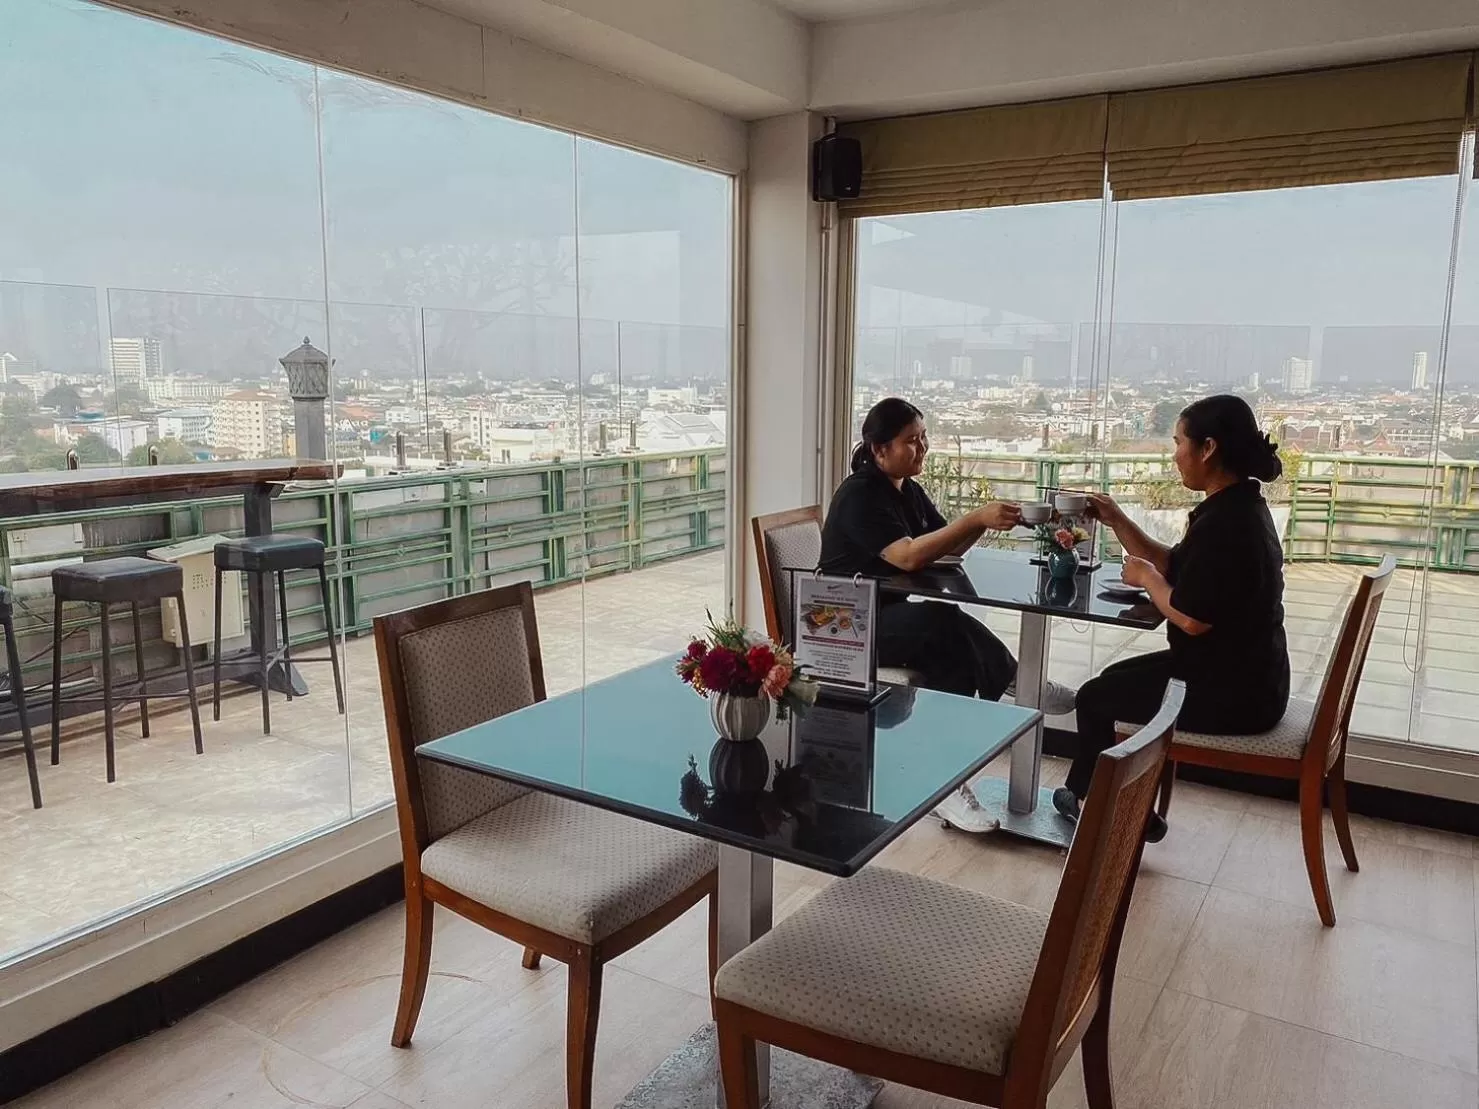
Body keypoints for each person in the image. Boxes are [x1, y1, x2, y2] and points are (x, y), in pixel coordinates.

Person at [1052, 394, 1290, 843]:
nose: (1174, 453)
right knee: (1106, 684)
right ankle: (1120, 806)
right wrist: (1116, 517)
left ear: (1208, 449)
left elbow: (1192, 619)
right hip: (1247, 678)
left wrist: (1145, 579)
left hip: (1232, 694)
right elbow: (1172, 563)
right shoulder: (1237, 507)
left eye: (1179, 442)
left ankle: (1099, 806)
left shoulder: (1227, 525)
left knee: (1096, 697)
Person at [820, 397, 1077, 715]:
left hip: (881, 615)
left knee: (956, 660)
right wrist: (976, 518)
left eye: (923, 436)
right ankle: (1022, 683)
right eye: (911, 440)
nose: (923, 446)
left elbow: (948, 548)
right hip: (845, 624)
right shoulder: (859, 495)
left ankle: (945, 748)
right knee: (942, 619)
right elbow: (908, 557)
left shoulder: (908, 490)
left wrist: (989, 520)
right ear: (879, 449)